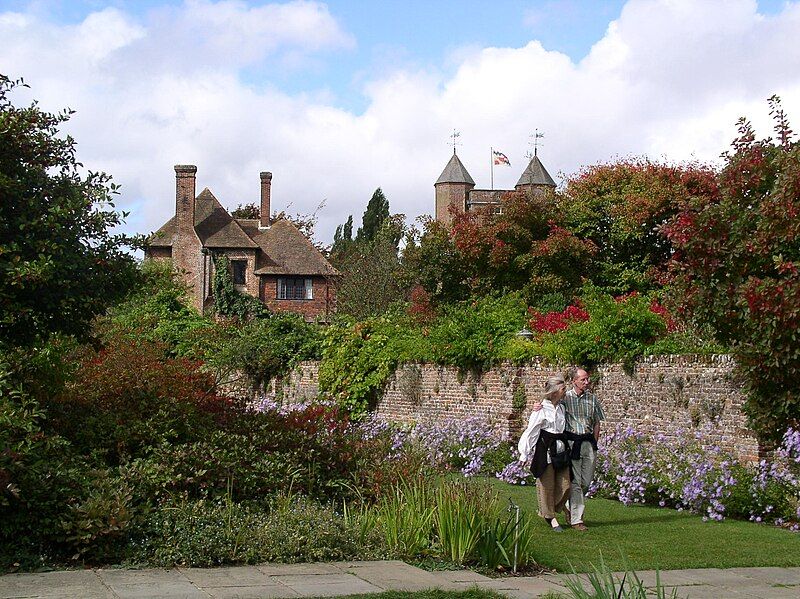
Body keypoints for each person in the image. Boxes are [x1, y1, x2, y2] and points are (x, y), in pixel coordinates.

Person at [517, 375, 571, 532]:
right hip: (545, 448)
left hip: (560, 448)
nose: (565, 391)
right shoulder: (541, 408)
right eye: (562, 389)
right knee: (546, 485)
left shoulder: (562, 407)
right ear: (554, 392)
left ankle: (549, 510)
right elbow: (532, 431)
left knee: (566, 484)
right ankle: (551, 518)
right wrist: (524, 453)